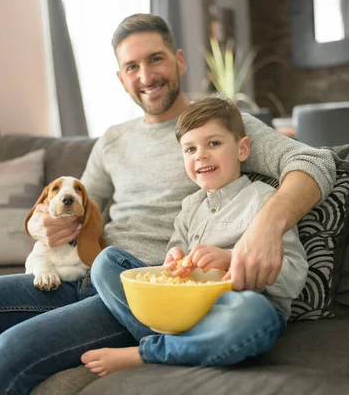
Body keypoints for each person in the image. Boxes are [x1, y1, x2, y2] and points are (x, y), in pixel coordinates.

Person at [0, 13, 336, 394]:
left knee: (8, 351)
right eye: (132, 66)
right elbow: (77, 203)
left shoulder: (216, 121)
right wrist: (38, 226)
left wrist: (267, 226)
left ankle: (160, 341)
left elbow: (314, 160)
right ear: (120, 78)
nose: (146, 75)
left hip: (147, 290)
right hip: (82, 274)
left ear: (179, 60)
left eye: (156, 59)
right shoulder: (112, 139)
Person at [81, 95, 308, 376]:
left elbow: (295, 276)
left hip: (239, 305)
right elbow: (174, 267)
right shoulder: (190, 207)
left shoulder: (265, 201)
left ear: (242, 149)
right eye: (190, 149)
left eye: (213, 143)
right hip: (185, 309)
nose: (201, 154)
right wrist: (174, 262)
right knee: (107, 262)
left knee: (253, 315)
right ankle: (184, 345)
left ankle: (150, 351)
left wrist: (231, 259)